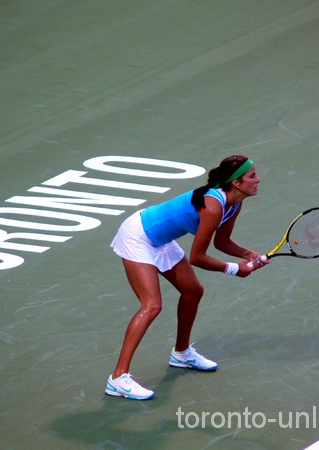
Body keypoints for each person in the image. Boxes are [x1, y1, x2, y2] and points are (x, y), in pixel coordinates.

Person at [105, 155, 268, 400]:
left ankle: (181, 353)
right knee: (151, 306)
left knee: (193, 291)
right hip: (138, 236)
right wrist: (235, 268)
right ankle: (118, 378)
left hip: (160, 240)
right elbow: (198, 257)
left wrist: (249, 254)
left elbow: (221, 242)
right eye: (252, 175)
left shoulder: (235, 203)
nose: (258, 179)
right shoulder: (213, 206)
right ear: (236, 182)